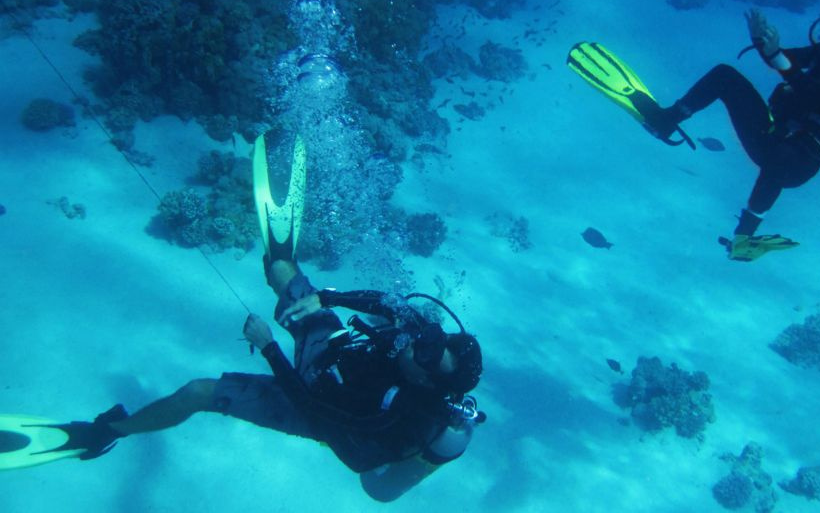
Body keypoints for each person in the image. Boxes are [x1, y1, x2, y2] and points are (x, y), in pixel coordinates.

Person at [0, 133, 485, 502]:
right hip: (337, 356)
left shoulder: (399, 410)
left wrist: (270, 345)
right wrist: (330, 298)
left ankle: (104, 435)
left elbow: (319, 410)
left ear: (427, 384)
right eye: (427, 340)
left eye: (423, 356)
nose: (415, 345)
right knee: (280, 269)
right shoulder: (425, 344)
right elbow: (387, 304)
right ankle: (281, 257)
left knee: (198, 392)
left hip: (318, 406)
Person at [567, 8, 820, 262]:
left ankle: (745, 237)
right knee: (724, 76)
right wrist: (765, 44)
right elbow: (786, 62)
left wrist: (777, 55)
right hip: (779, 133)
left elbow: (808, 89)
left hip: (800, 162)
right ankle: (666, 120)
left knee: (781, 158)